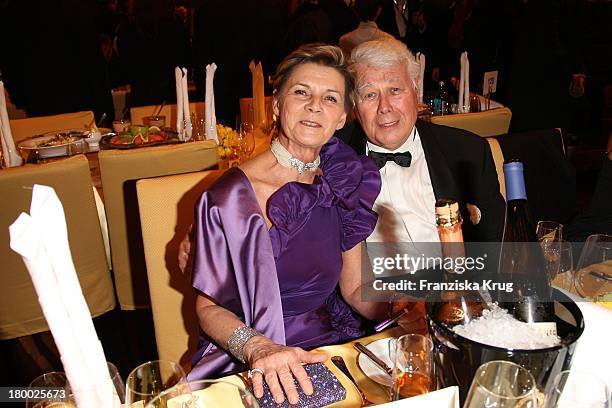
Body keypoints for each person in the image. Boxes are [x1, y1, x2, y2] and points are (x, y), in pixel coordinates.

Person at [186, 44, 386, 405]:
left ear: (342, 117)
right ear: (277, 106)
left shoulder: (341, 179)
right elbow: (208, 309)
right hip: (250, 356)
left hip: (326, 346)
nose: (314, 106)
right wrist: (259, 348)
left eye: (330, 98)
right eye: (301, 92)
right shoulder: (231, 198)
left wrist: (417, 309)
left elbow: (356, 288)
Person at [339, 37, 505, 244]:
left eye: (395, 90)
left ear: (416, 89)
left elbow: (494, 248)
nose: (384, 107)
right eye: (370, 94)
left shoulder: (468, 153)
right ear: (354, 102)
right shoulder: (330, 159)